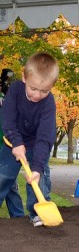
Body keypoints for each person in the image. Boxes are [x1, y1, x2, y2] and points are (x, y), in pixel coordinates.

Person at [0, 52, 58, 227]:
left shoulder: (48, 104)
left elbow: (45, 136)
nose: (38, 95)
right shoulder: (16, 90)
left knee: (38, 178)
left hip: (36, 144)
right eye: (33, 89)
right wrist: (16, 143)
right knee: (3, 176)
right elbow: (7, 118)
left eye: (44, 91)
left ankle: (37, 212)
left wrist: (38, 167)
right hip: (12, 140)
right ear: (24, 77)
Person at [0, 79, 24, 218]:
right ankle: (18, 215)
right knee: (7, 180)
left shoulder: (8, 100)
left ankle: (18, 216)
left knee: (8, 180)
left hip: (6, 145)